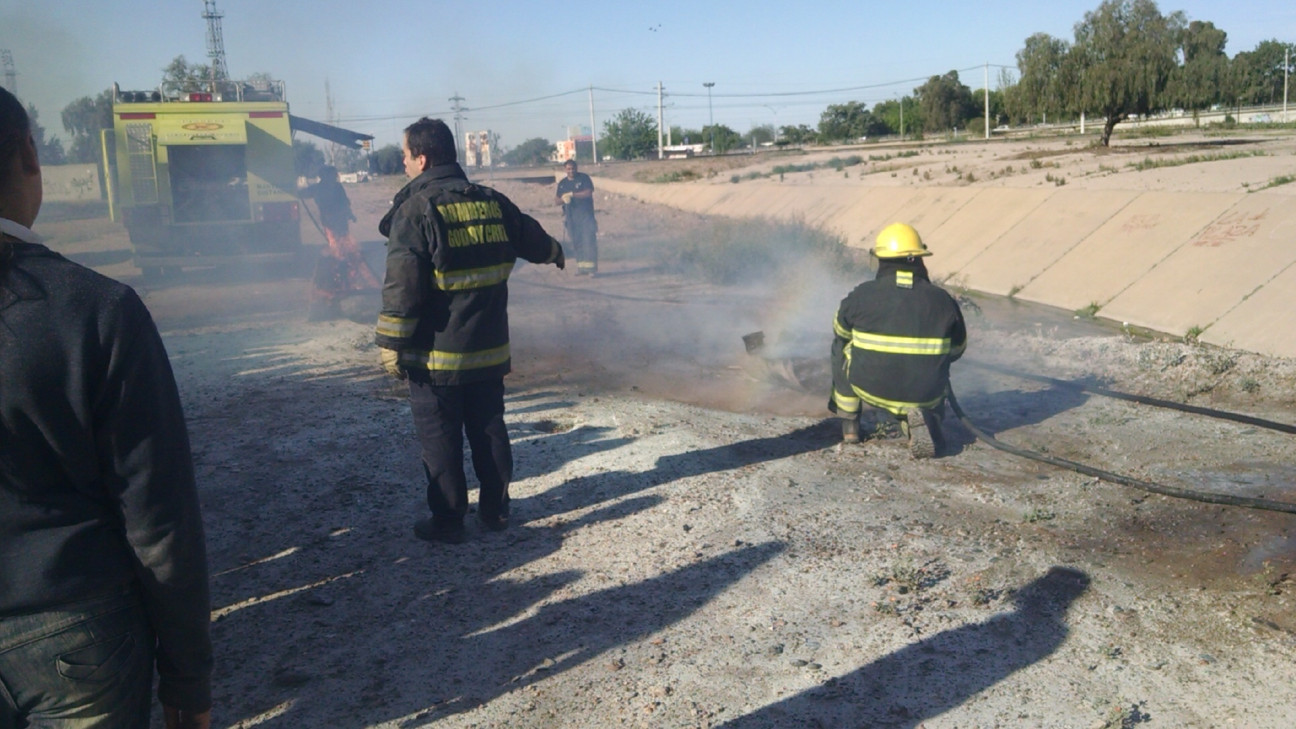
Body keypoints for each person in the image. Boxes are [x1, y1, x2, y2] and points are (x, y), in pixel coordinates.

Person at [0, 87, 213, 727]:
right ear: (29, 158)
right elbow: (159, 519)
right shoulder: (96, 310)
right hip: (73, 631)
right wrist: (187, 681)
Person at [376, 117, 565, 544]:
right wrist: (555, 251)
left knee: (441, 439)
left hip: (436, 357)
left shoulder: (416, 210)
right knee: (489, 429)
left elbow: (403, 287)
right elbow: (531, 237)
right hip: (489, 350)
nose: (403, 164)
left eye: (405, 156)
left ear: (422, 159)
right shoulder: (491, 201)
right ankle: (496, 513)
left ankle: (448, 521)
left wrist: (390, 343)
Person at [830, 222, 967, 459]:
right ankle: (920, 419)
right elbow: (957, 350)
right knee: (935, 365)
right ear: (920, 259)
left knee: (841, 346)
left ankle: (850, 425)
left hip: (871, 387)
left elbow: (840, 331)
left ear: (881, 259)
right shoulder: (943, 300)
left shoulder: (861, 295)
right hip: (927, 393)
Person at [301, 165, 381, 320]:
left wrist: (350, 215)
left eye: (334, 175)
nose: (334, 178)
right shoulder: (317, 189)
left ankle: (346, 263)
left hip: (341, 221)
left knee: (345, 243)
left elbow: (345, 203)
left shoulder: (338, 188)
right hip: (328, 223)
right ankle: (340, 264)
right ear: (324, 176)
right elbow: (303, 193)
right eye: (331, 175)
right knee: (335, 246)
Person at [554, 158, 598, 275]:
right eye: (568, 169)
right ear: (565, 169)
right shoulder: (563, 183)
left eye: (573, 168)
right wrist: (563, 199)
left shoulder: (584, 178)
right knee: (576, 242)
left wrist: (573, 195)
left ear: (576, 168)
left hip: (586, 216)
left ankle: (591, 270)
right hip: (571, 218)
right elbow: (556, 200)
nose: (571, 171)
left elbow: (588, 192)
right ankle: (581, 268)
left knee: (588, 241)